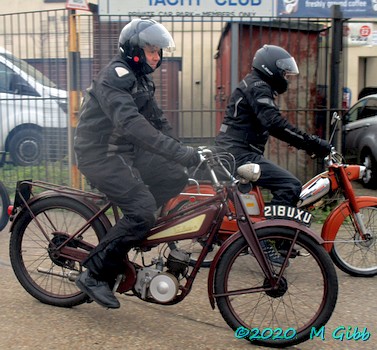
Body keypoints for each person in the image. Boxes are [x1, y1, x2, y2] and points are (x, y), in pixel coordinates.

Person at [74, 18, 200, 309]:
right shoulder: (115, 77)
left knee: (174, 176)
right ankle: (94, 275)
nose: (157, 57)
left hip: (125, 151)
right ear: (134, 49)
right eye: (151, 51)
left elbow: (158, 123)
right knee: (143, 211)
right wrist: (177, 152)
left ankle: (133, 227)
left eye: (158, 52)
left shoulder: (141, 78)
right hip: (100, 153)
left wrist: (185, 153)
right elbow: (132, 125)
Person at [215, 44, 331, 265]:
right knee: (290, 185)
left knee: (280, 186)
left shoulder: (257, 84)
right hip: (238, 154)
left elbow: (272, 124)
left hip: (238, 150)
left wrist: (305, 143)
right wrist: (311, 143)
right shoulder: (258, 87)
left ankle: (279, 237)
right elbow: (275, 124)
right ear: (270, 69)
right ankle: (266, 240)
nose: (286, 76)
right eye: (284, 72)